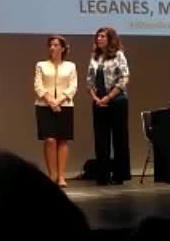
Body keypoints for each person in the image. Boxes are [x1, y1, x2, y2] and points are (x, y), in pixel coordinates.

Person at [87, 27, 131, 185]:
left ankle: (120, 175)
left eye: (102, 36)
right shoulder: (94, 57)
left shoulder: (119, 55)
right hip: (99, 102)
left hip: (117, 100)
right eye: (98, 36)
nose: (99, 38)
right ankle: (103, 176)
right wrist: (95, 98)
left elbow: (124, 78)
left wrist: (108, 97)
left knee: (119, 138)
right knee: (101, 139)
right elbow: (89, 80)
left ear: (110, 39)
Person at [34, 35, 78, 187]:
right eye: (50, 45)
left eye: (56, 45)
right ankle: (52, 175)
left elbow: (73, 86)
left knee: (63, 140)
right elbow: (38, 86)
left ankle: (61, 176)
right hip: (44, 105)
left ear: (63, 48)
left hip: (65, 105)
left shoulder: (70, 66)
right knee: (50, 140)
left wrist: (58, 101)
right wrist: (51, 102)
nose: (52, 47)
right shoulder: (41, 65)